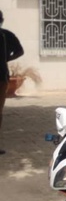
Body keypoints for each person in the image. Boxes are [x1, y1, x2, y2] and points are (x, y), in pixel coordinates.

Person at [0, 10, 24, 155]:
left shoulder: (6, 36)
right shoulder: (6, 35)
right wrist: (6, 59)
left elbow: (20, 51)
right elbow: (20, 51)